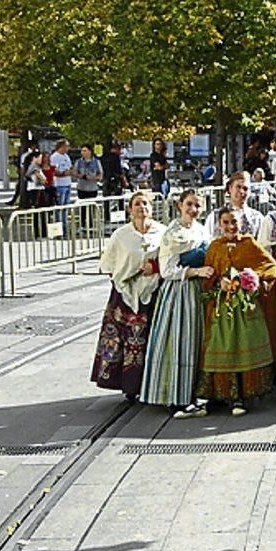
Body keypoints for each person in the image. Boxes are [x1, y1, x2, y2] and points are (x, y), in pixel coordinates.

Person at [199, 207, 276, 416]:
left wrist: (250, 278)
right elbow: (208, 276)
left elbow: (270, 266)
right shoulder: (215, 247)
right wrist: (218, 282)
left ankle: (243, 396)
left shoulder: (249, 244)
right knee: (223, 347)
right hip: (222, 308)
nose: (231, 227)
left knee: (244, 345)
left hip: (245, 309)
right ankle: (224, 393)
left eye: (234, 222)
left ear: (241, 223)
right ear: (219, 224)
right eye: (226, 222)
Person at [143, 190, 212, 415]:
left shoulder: (201, 229)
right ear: (180, 206)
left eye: (198, 206)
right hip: (180, 292)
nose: (193, 210)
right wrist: (196, 271)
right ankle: (177, 395)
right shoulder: (173, 233)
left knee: (197, 341)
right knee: (181, 342)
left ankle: (196, 390)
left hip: (199, 291)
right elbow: (167, 270)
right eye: (189, 205)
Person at [91, 192, 166, 399]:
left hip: (153, 291)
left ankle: (152, 384)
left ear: (152, 207)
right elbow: (108, 263)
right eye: (136, 204)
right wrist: (121, 280)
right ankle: (128, 386)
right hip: (125, 293)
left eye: (145, 203)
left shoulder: (162, 232)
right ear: (130, 210)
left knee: (150, 338)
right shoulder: (120, 235)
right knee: (123, 340)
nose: (141, 207)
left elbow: (169, 259)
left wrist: (156, 268)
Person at [204, 171, 264, 238]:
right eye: (238, 187)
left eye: (245, 188)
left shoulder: (257, 218)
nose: (241, 191)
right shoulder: (214, 217)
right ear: (230, 188)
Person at [50, 139, 74, 206]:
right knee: (60, 205)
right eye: (67, 146)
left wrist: (71, 171)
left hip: (68, 183)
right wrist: (63, 173)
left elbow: (70, 167)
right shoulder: (54, 157)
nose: (68, 148)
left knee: (66, 205)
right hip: (59, 185)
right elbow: (54, 171)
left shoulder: (66, 156)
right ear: (62, 146)